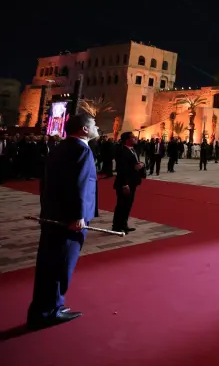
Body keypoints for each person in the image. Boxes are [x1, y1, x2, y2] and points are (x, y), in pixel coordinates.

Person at [27, 112, 99, 329]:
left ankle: (42, 308)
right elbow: (80, 184)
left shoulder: (59, 147)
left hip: (53, 215)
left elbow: (47, 183)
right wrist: (78, 215)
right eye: (94, 124)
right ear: (84, 129)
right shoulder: (82, 150)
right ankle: (50, 311)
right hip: (70, 220)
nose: (97, 127)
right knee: (62, 264)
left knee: (48, 264)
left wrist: (46, 210)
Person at [113, 132, 146, 233]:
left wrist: (140, 165)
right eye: (133, 137)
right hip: (125, 183)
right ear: (127, 140)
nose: (135, 138)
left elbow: (132, 165)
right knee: (122, 205)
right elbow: (122, 169)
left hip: (133, 181)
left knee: (128, 205)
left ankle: (124, 224)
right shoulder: (122, 151)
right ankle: (117, 226)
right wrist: (125, 184)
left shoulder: (133, 150)